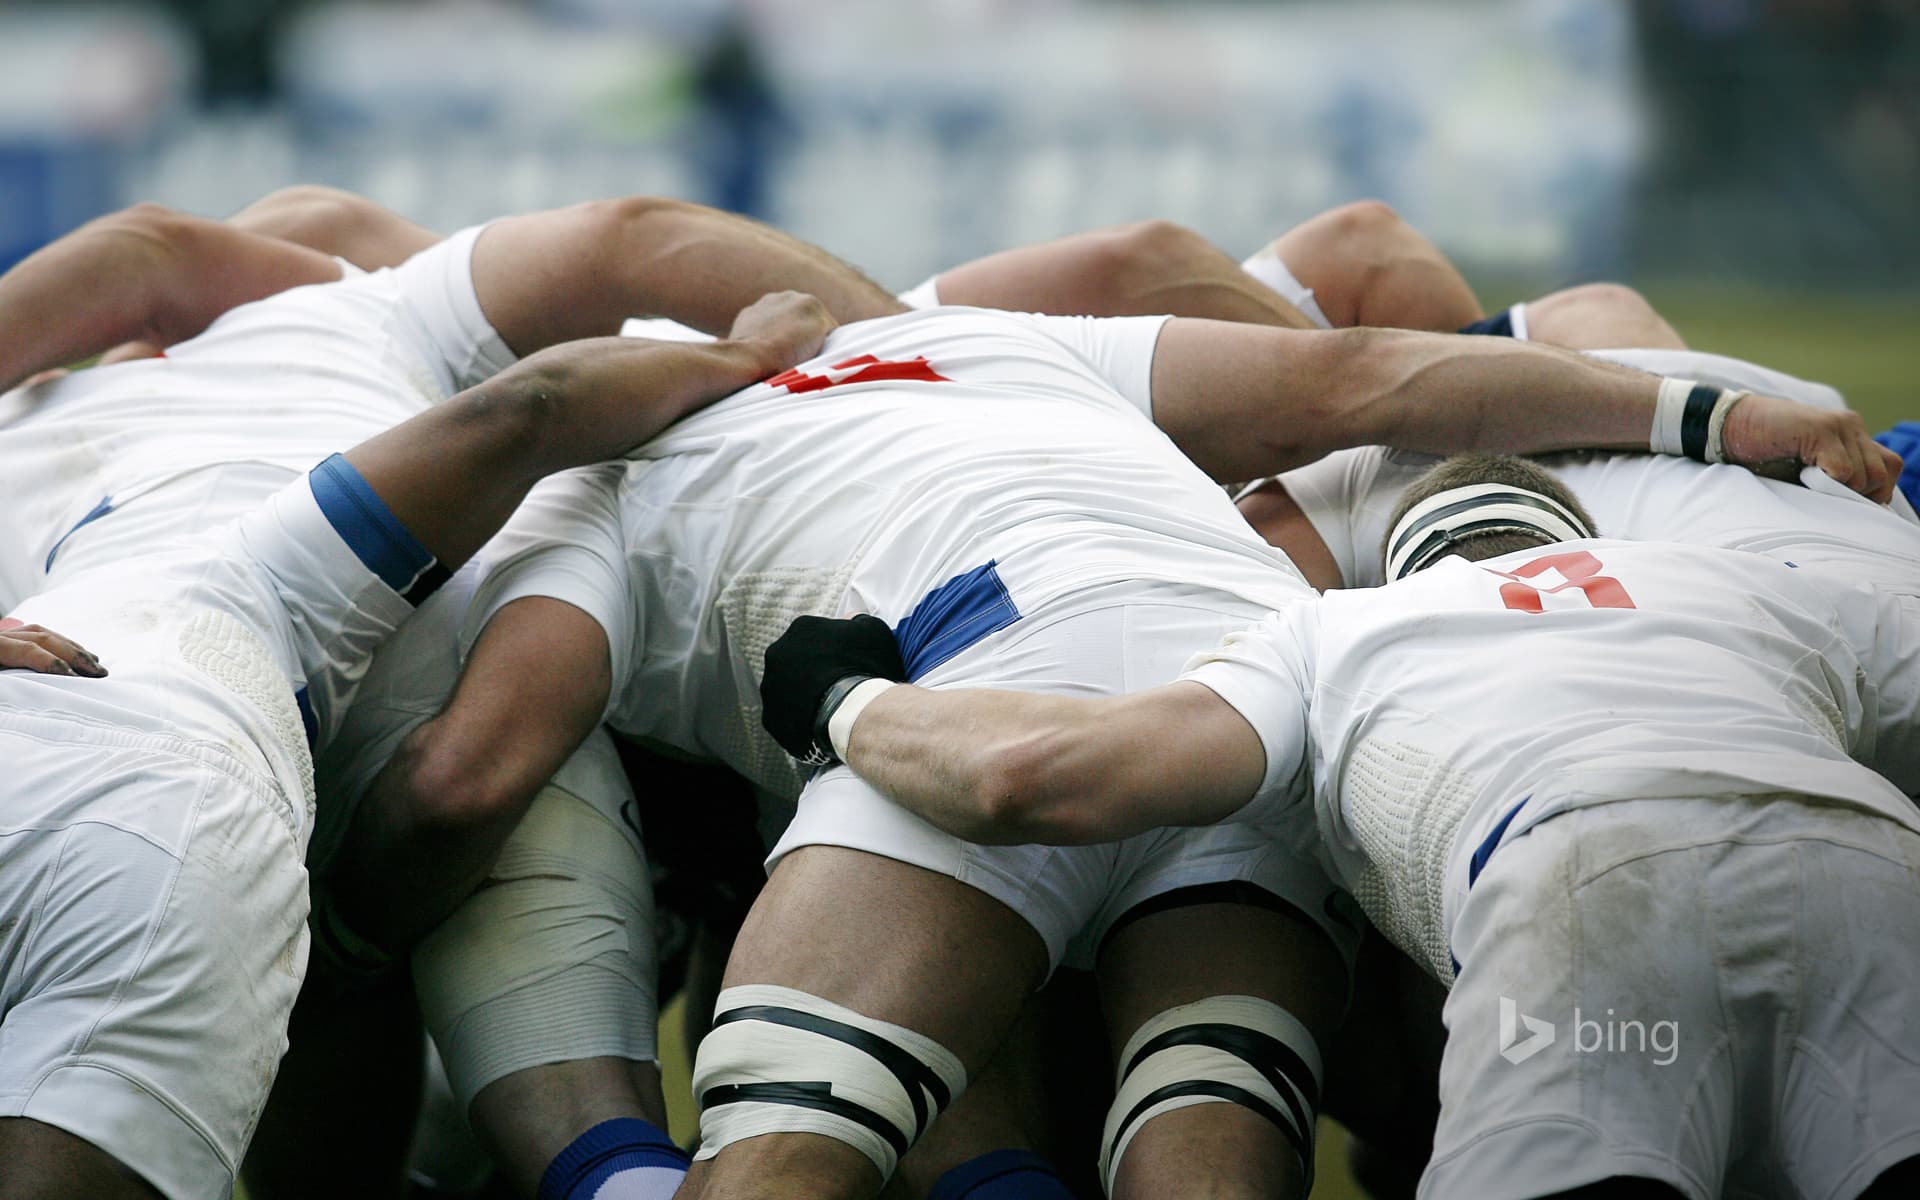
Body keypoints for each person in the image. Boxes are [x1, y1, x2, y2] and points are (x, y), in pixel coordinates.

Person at [761, 452, 1920, 1199]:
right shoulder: (1753, 585)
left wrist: (846, 701)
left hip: (1583, 890)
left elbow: (1033, 777)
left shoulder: (1334, 630)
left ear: (1404, 556)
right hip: (1867, 869)